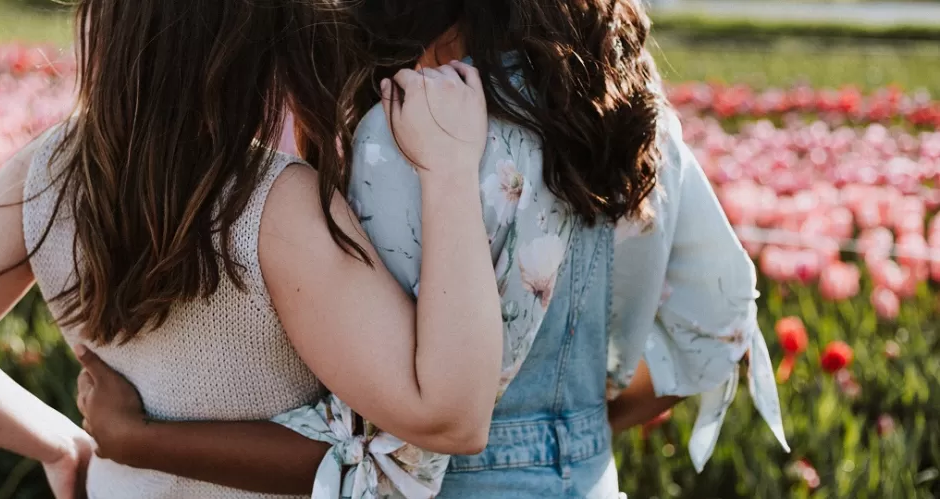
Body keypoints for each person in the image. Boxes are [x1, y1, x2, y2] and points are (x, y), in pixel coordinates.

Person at [75, 0, 790, 497]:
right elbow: (717, 328)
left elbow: (376, 450)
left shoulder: (403, 142)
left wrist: (137, 438)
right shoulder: (631, 116)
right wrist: (557, 434)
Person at [0, 0, 510, 497]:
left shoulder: (48, 170)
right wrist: (449, 172)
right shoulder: (273, 203)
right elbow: (451, 418)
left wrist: (61, 447)